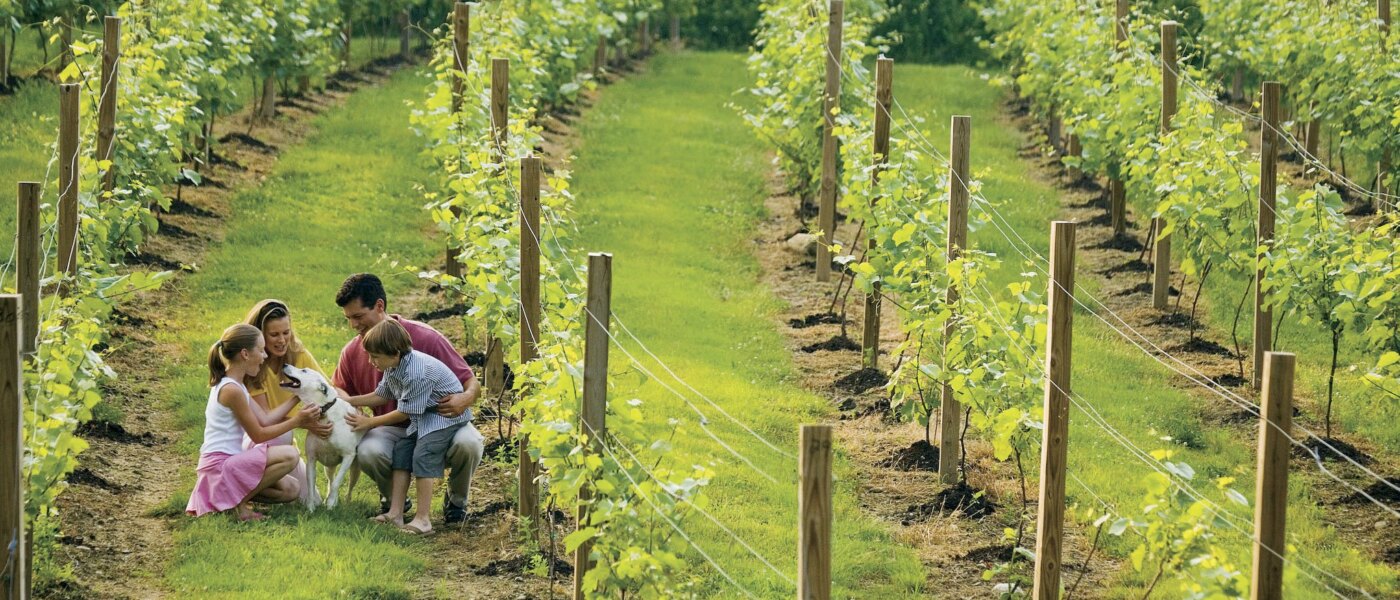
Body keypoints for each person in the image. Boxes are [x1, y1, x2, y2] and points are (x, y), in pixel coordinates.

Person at [332, 273, 483, 524]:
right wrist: (350, 404)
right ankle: (395, 504)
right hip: (392, 427)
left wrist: (464, 399)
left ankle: (456, 502)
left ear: (379, 306)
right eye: (348, 318)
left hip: (439, 421)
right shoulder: (353, 350)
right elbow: (340, 388)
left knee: (470, 443)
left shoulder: (425, 340)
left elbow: (471, 382)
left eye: (358, 316)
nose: (353, 325)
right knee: (369, 450)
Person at [347, 319, 471, 535]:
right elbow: (381, 394)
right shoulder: (394, 366)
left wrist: (370, 422)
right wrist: (349, 401)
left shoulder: (416, 373)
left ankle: (423, 520)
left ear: (394, 353)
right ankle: (395, 513)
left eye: (375, 356)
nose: (370, 361)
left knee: (423, 455)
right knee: (403, 450)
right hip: (424, 416)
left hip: (443, 416)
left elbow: (406, 412)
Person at [187, 324, 321, 521]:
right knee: (290, 454)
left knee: (291, 489)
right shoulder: (231, 390)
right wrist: (297, 421)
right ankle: (236, 506)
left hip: (230, 463)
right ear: (245, 354)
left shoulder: (236, 385)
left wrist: (298, 394)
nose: (265, 356)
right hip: (219, 466)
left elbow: (266, 419)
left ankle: (226, 500)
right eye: (260, 350)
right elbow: (258, 434)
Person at [242, 299, 334, 504]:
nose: (282, 340)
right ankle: (236, 489)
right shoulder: (254, 364)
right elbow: (265, 420)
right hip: (254, 440)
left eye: (286, 332)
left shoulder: (297, 353)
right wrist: (302, 419)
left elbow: (328, 389)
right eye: (274, 335)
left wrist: (355, 407)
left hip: (282, 442)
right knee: (285, 433)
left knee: (311, 502)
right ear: (260, 336)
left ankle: (250, 490)